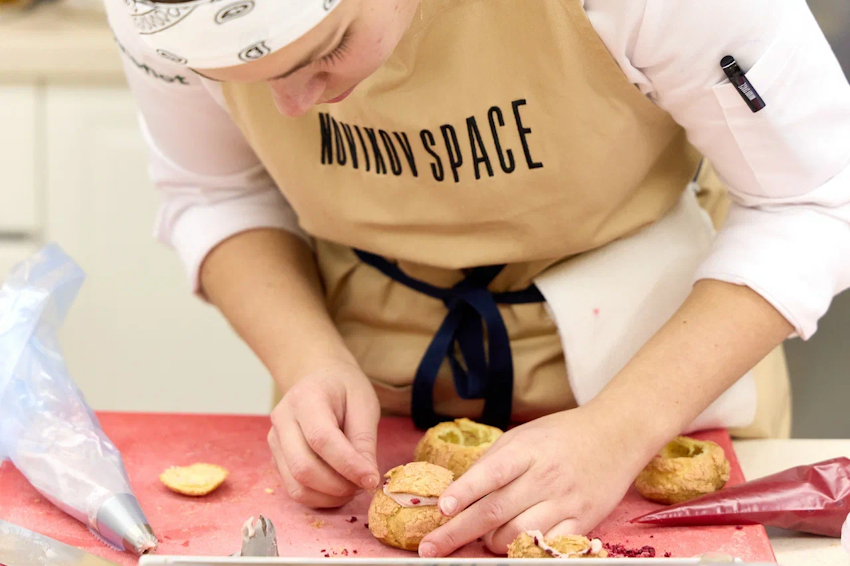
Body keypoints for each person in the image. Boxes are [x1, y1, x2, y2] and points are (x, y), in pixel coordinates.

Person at [107, 0, 850, 557]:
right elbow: (216, 192)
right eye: (240, 80)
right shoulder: (153, 11)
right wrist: (308, 358)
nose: (291, 107)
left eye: (327, 51)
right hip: (370, 352)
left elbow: (816, 199)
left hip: (658, 354)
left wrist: (623, 428)